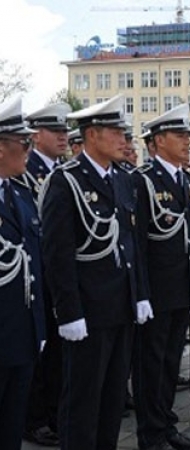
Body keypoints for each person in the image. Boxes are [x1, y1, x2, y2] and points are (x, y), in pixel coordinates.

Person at [41, 94, 144, 449]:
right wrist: (69, 312)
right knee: (83, 400)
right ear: (93, 135)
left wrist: (140, 293)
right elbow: (58, 255)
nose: (124, 140)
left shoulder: (122, 179)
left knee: (113, 399)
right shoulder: (66, 181)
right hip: (88, 310)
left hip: (120, 306)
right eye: (116, 132)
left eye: (124, 133)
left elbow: (130, 243)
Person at [131, 104, 190, 450]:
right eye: (180, 136)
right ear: (158, 141)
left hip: (181, 288)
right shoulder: (144, 182)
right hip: (158, 292)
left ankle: (166, 425)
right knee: (152, 365)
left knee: (171, 362)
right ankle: (150, 432)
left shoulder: (185, 181)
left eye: (188, 135)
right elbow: (139, 245)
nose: (186, 142)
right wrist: (142, 293)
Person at [20, 102, 71, 447]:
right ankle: (35, 419)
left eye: (66, 131)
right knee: (40, 353)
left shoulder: (63, 171)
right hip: (33, 274)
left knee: (58, 353)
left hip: (55, 271)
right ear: (36, 135)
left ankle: (53, 412)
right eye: (56, 131)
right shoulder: (24, 171)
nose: (64, 137)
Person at [0, 95, 46, 450]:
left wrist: (39, 327)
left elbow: (34, 264)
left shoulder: (19, 194)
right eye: (23, 143)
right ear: (1, 149)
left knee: (13, 424)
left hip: (21, 332)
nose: (28, 150)